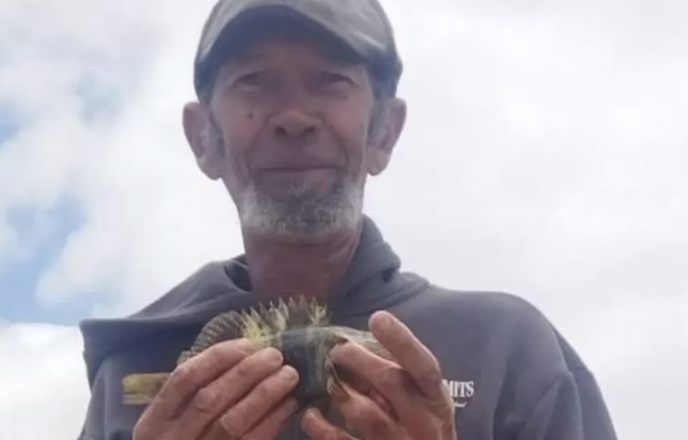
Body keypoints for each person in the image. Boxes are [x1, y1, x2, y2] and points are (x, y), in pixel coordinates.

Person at [75, 0, 619, 439]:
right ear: (204, 138)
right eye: (255, 81)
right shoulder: (128, 375)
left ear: (383, 133)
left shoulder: (511, 351)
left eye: (330, 80)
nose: (292, 118)